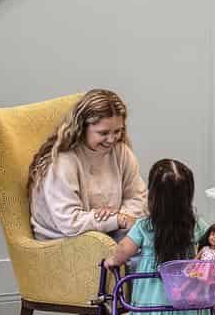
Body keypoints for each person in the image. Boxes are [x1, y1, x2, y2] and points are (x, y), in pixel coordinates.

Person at [103, 157, 209, 315]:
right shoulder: (196, 225)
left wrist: (112, 260)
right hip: (185, 291)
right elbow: (209, 245)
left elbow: (124, 250)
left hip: (152, 292)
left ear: (153, 196)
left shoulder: (144, 227)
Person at [28, 89, 147, 240]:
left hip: (108, 232)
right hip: (63, 241)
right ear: (82, 127)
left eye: (117, 131)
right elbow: (70, 222)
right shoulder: (62, 163)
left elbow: (137, 196)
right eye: (103, 133)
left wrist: (121, 218)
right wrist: (116, 220)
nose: (111, 139)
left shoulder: (120, 152)